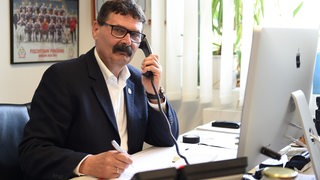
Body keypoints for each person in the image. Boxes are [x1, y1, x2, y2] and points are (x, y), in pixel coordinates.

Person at [18, 0, 179, 179]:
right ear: (96, 29)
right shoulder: (62, 77)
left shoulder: (138, 79)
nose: (127, 41)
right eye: (118, 30)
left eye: (135, 35)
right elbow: (32, 152)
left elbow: (166, 139)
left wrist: (154, 94)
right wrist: (87, 163)